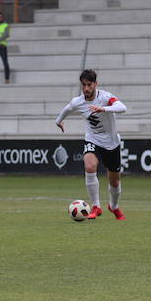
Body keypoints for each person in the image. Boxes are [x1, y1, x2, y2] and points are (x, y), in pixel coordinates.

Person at [55, 69, 127, 220]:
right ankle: (96, 206)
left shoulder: (106, 97)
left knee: (114, 180)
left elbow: (122, 107)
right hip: (92, 139)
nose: (86, 88)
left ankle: (114, 206)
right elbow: (68, 109)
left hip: (111, 143)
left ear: (96, 84)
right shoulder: (78, 101)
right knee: (89, 165)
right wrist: (58, 121)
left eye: (89, 85)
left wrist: (104, 108)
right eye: (83, 85)